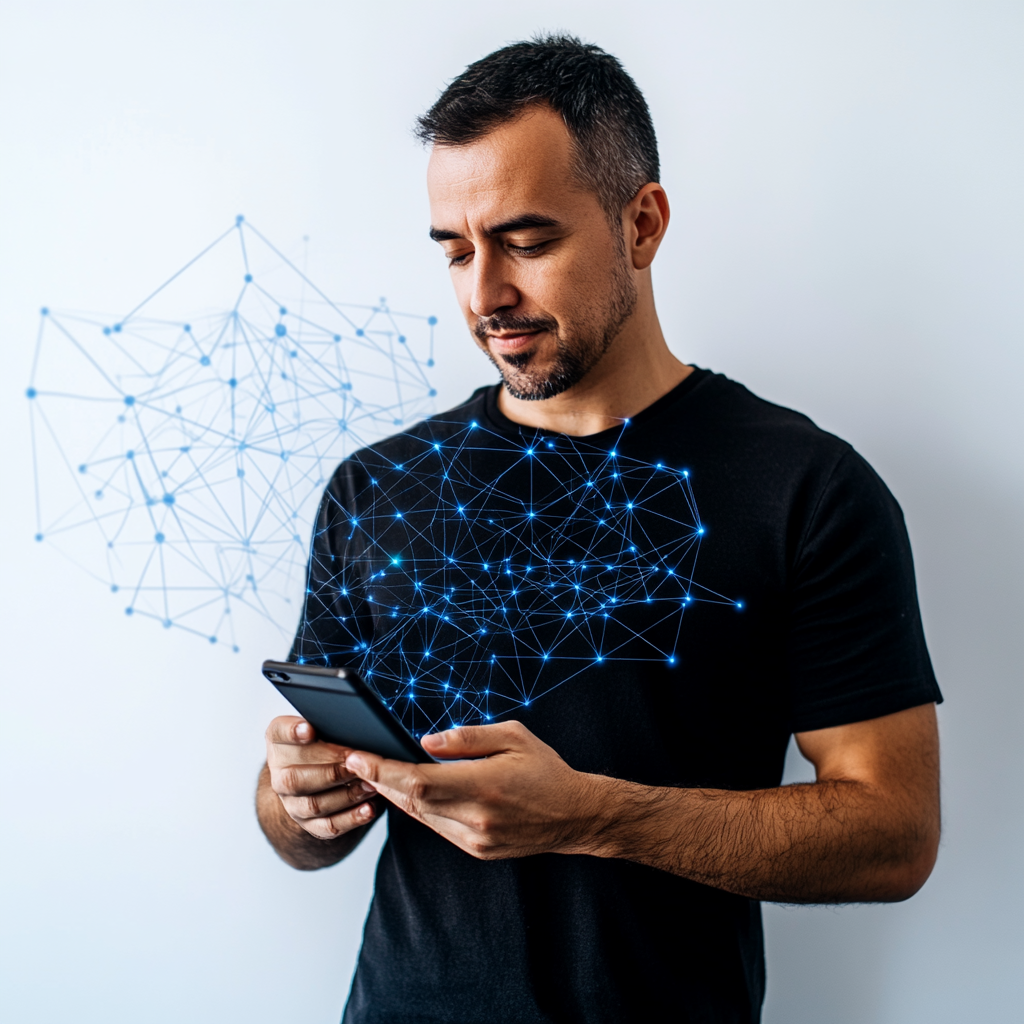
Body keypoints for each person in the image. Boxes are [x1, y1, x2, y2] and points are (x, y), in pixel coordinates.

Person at [256, 35, 942, 1023]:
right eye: (454, 247)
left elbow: (894, 832)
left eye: (525, 241)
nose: (483, 293)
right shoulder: (376, 488)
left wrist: (596, 815)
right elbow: (300, 830)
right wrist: (296, 799)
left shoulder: (804, 488)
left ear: (642, 223)